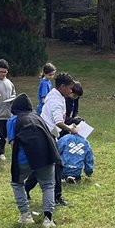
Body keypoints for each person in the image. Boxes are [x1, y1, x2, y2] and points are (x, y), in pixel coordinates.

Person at [7, 93, 60, 227]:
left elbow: (13, 143)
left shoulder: (13, 121)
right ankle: (48, 219)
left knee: (17, 183)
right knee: (48, 185)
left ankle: (26, 215)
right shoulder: (38, 117)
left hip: (23, 157)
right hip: (46, 155)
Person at [37, 71, 77, 206]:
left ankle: (26, 188)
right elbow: (58, 121)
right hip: (48, 135)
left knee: (44, 164)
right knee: (57, 165)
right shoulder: (56, 101)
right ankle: (57, 197)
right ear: (62, 87)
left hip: (48, 134)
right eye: (69, 88)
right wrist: (70, 129)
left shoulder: (55, 95)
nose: (71, 90)